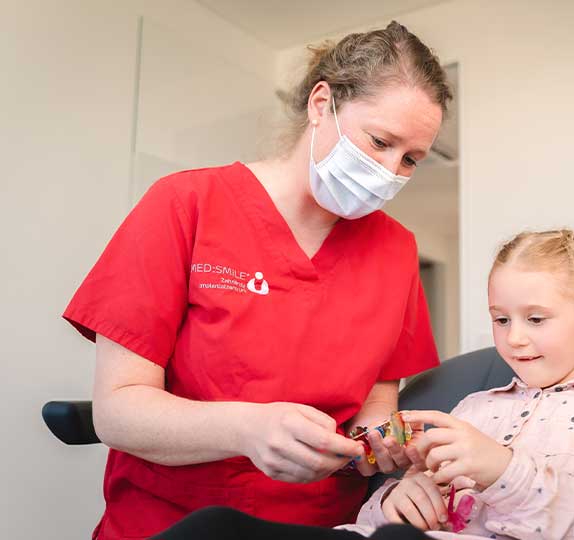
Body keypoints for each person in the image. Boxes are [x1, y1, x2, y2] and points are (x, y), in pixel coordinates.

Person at [62, 21, 452, 540]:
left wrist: (379, 443)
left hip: (326, 525)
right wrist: (246, 429)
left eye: (411, 160)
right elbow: (118, 410)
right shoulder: (187, 205)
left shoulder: (396, 249)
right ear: (321, 103)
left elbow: (376, 405)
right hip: (173, 522)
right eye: (380, 141)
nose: (389, 171)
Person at [343, 229, 574, 539]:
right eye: (501, 319)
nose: (513, 338)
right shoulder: (473, 407)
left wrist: (505, 471)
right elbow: (375, 521)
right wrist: (393, 504)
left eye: (536, 319)